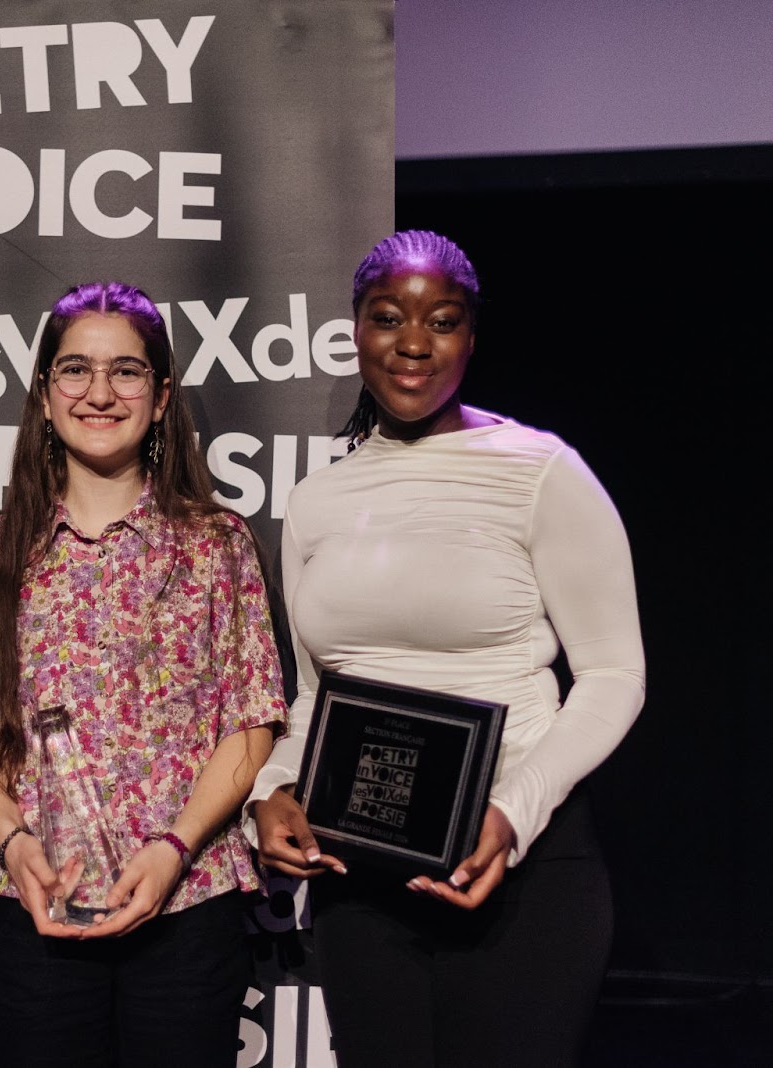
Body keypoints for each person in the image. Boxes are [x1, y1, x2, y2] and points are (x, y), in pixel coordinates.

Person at [250, 231, 646, 1066]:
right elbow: (318, 695)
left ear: (471, 336)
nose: (415, 343)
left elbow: (614, 677)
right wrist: (273, 791)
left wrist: (513, 812)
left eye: (445, 320)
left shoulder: (539, 471)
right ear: (355, 330)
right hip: (362, 872)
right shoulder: (319, 501)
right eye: (388, 317)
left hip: (521, 867)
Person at [0, 282, 287, 1068]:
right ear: (43, 393)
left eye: (127, 372)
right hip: (35, 906)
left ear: (162, 394)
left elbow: (252, 721)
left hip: (184, 899)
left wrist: (174, 848)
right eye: (75, 370)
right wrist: (12, 843)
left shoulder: (215, 543)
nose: (99, 393)